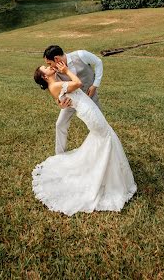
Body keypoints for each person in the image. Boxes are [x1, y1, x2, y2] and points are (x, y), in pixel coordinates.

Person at [32, 61, 137, 215]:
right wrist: (67, 70)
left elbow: (60, 97)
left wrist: (59, 102)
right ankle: (107, 176)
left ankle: (104, 169)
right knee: (105, 136)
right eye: (46, 68)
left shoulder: (54, 84)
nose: (49, 67)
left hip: (88, 108)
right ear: (45, 76)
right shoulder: (54, 86)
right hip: (88, 111)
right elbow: (78, 83)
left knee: (102, 137)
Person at [43, 45, 103, 154]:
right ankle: (60, 154)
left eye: (49, 63)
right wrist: (60, 103)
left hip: (90, 98)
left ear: (56, 59)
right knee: (60, 124)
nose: (50, 67)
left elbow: (98, 62)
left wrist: (95, 85)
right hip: (71, 102)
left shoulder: (81, 55)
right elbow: (57, 92)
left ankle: (99, 151)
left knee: (98, 124)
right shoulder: (54, 72)